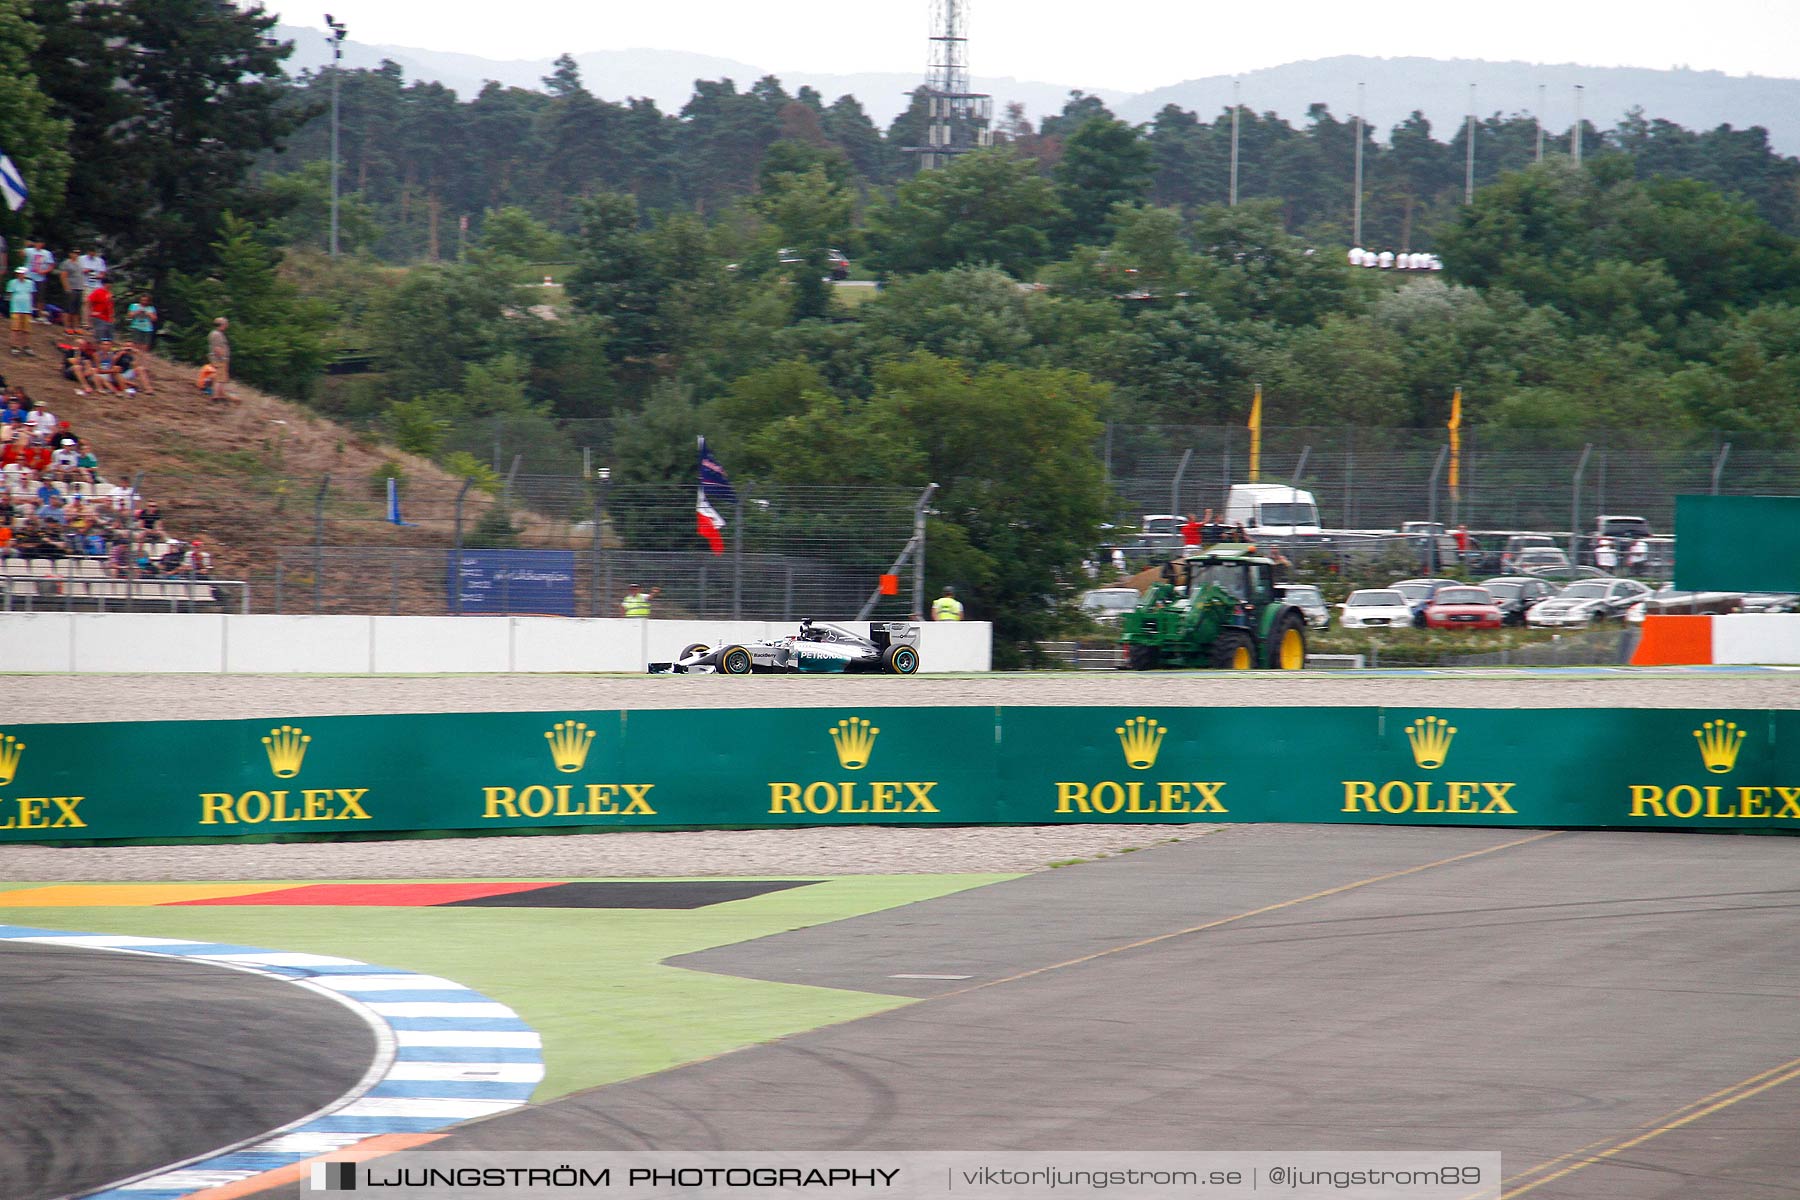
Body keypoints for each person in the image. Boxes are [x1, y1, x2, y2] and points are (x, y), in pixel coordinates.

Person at [7, 267, 34, 356]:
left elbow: (31, 294)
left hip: (26, 309)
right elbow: (10, 295)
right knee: (15, 328)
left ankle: (26, 346)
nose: (20, 275)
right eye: (19, 273)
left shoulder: (30, 283)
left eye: (22, 273)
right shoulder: (12, 282)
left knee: (26, 329)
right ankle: (14, 346)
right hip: (16, 309)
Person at [207, 317, 232, 402]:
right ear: (221, 325)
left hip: (219, 359)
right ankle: (216, 397)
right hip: (219, 359)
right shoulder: (217, 335)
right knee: (220, 378)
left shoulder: (216, 333)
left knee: (222, 377)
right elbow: (217, 348)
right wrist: (223, 358)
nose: (227, 325)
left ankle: (221, 396)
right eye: (226, 323)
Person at [86, 274, 116, 343]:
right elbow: (89, 300)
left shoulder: (109, 293)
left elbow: (110, 306)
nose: (110, 285)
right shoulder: (98, 291)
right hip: (99, 317)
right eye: (109, 283)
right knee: (100, 336)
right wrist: (91, 312)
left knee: (109, 337)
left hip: (108, 318)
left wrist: (112, 316)